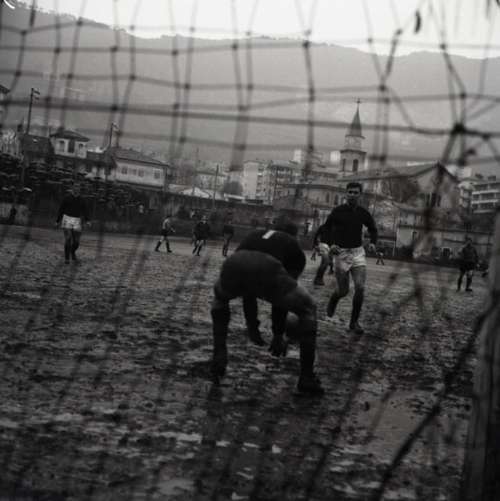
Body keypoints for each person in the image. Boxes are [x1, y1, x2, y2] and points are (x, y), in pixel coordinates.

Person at [210, 216, 324, 395]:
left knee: (219, 298)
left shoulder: (256, 234)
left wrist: (252, 325)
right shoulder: (292, 245)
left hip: (234, 262)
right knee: (308, 309)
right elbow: (281, 300)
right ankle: (307, 377)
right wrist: (278, 334)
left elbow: (248, 290)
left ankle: (219, 353)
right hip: (267, 266)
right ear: (295, 236)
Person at [324, 182, 377, 334]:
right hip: (341, 253)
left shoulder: (363, 212)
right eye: (350, 192)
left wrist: (373, 242)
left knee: (360, 287)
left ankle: (354, 322)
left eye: (355, 192)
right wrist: (331, 244)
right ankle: (334, 298)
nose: (352, 195)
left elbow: (373, 229)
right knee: (343, 291)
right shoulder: (338, 211)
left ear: (360, 195)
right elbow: (326, 228)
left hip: (358, 253)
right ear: (346, 193)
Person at [56, 182, 90, 264]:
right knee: (68, 238)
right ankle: (67, 258)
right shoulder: (67, 198)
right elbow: (61, 209)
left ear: (80, 189)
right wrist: (57, 220)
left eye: (78, 187)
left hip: (77, 220)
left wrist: (88, 220)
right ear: (72, 188)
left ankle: (72, 252)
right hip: (67, 218)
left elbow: (85, 210)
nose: (76, 188)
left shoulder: (82, 199)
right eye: (75, 187)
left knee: (76, 242)